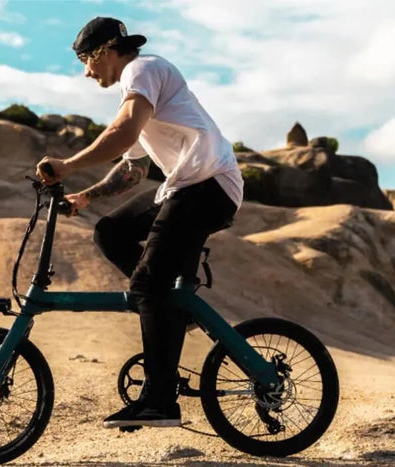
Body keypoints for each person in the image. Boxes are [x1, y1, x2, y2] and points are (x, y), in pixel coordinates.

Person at [35, 17, 243, 429]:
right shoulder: (140, 89)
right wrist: (87, 196)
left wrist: (68, 166)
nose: (85, 72)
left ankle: (160, 400)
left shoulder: (142, 70)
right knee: (109, 231)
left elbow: (123, 132)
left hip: (209, 186)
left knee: (146, 284)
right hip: (186, 186)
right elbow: (133, 170)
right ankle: (168, 307)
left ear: (105, 51)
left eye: (85, 60)